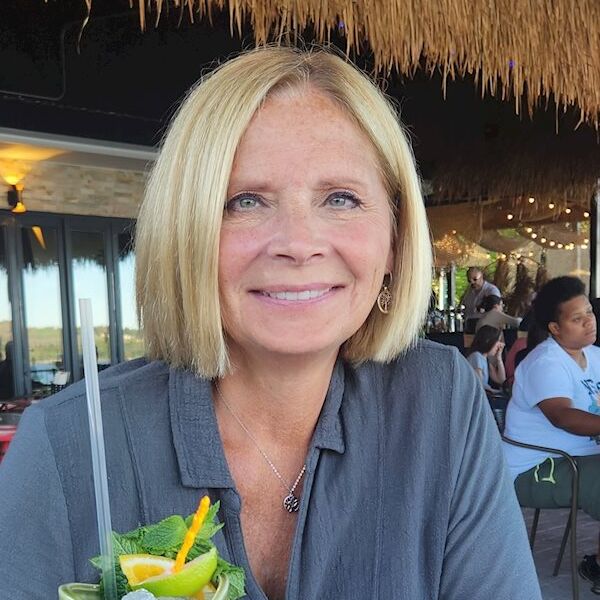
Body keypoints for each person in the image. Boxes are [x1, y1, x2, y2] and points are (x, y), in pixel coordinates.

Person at [0, 47, 540, 600]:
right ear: (186, 233)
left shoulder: (438, 399)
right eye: (246, 201)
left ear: (395, 242)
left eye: (340, 198)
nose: (298, 244)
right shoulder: (64, 445)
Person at [503, 276, 600, 593]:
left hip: (580, 459)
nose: (589, 321)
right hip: (538, 468)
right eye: (577, 318)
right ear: (555, 328)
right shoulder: (546, 362)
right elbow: (562, 416)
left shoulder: (594, 356)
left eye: (589, 312)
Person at [467, 325, 506, 393]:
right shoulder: (476, 357)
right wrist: (494, 392)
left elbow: (501, 380)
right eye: (498, 341)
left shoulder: (485, 358)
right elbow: (479, 386)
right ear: (488, 341)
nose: (500, 345)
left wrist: (499, 358)